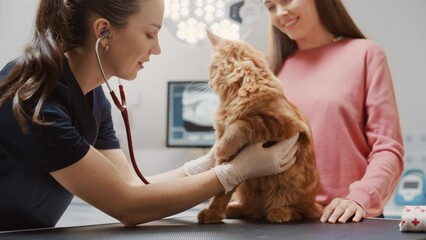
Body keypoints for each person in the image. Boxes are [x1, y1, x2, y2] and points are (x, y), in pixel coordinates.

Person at [0, 0, 299, 231]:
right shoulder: (32, 98)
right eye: (150, 33)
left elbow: (132, 184)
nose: (157, 49)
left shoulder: (93, 96)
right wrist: (232, 173)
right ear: (104, 31)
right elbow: (127, 205)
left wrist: (205, 163)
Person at [262, 0, 404, 224]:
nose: (280, 13)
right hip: (283, 219)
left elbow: (388, 148)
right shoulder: (271, 71)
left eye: (286, 0)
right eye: (270, 6)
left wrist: (360, 198)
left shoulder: (365, 54)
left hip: (348, 217)